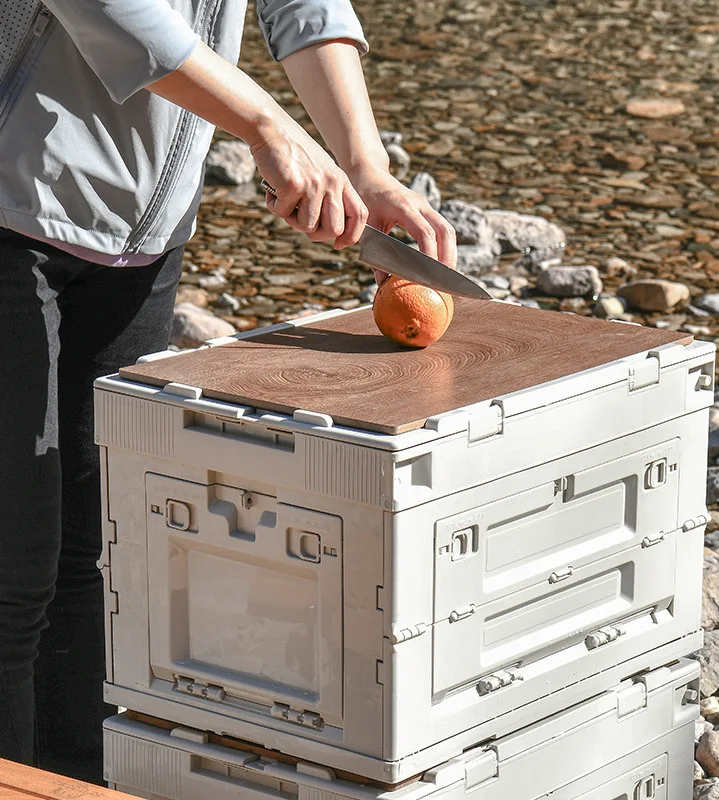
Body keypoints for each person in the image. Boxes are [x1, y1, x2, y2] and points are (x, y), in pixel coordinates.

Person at [0, 0, 456, 784]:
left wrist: (363, 165)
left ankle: (73, 777)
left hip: (143, 236)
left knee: (96, 549)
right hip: (10, 205)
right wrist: (266, 124)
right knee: (14, 564)